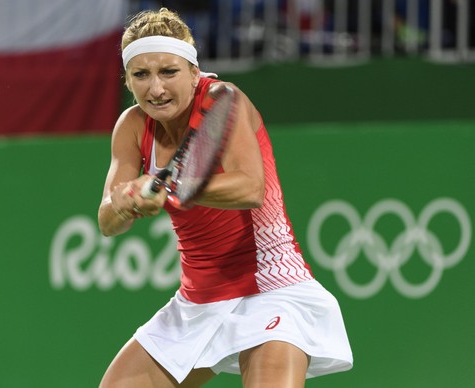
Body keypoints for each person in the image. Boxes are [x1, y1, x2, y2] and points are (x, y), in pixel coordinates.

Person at [98, 7, 353, 387]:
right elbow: (107, 223)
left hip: (271, 288)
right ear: (128, 81)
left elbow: (250, 188)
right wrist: (126, 202)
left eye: (169, 72)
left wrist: (168, 188)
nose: (156, 88)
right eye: (141, 75)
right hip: (197, 301)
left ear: (194, 72)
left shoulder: (224, 99)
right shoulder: (132, 126)